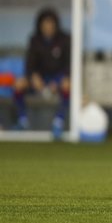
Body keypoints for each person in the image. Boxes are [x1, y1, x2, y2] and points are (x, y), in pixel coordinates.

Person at [14, 8, 71, 138]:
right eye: (45, 24)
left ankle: (59, 121)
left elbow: (69, 65)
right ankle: (22, 121)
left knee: (68, 84)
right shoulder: (35, 40)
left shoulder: (65, 40)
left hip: (58, 79)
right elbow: (29, 65)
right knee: (19, 84)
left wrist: (57, 81)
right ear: (40, 25)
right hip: (40, 80)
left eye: (51, 24)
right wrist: (33, 77)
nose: (48, 28)